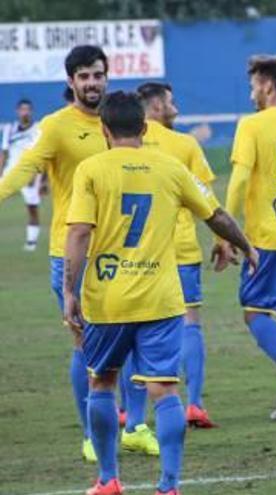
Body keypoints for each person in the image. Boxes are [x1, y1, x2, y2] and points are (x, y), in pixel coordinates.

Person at [63, 90, 257, 495]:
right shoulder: (170, 168)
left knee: (102, 382)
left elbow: (79, 231)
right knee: (165, 390)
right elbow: (216, 214)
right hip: (161, 298)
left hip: (108, 298)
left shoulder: (92, 170)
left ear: (104, 130)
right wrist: (247, 246)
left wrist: (69, 289)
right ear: (145, 127)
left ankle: (108, 480)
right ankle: (169, 486)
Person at [0, 45, 110, 463]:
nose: (91, 83)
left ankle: (133, 425)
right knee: (85, 346)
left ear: (106, 76)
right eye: (83, 77)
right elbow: (26, 167)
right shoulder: (57, 127)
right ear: (71, 82)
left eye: (97, 74)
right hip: (72, 253)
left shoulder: (120, 119)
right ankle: (89, 432)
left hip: (120, 251)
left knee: (129, 344)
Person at [215, 55, 276, 422]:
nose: (252, 91)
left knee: (254, 310)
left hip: (267, 237)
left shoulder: (252, 125)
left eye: (254, 84)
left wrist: (225, 233)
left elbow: (240, 181)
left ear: (269, 85)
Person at [138, 81, 219, 429]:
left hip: (140, 252)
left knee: (137, 328)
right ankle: (195, 404)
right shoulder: (184, 144)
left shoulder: (126, 144)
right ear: (156, 106)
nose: (176, 107)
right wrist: (224, 237)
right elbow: (205, 197)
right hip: (182, 248)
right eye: (171, 102)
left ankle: (133, 412)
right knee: (190, 323)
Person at [0, 99, 42, 251]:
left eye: (28, 109)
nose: (25, 112)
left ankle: (31, 242)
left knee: (32, 208)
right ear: (18, 111)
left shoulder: (38, 129)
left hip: (30, 173)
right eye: (22, 109)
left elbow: (41, 154)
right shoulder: (9, 129)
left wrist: (38, 176)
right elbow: (4, 152)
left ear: (31, 111)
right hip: (10, 172)